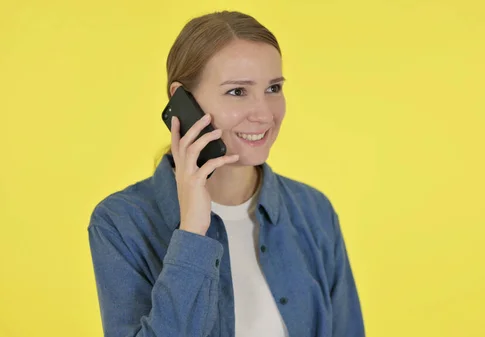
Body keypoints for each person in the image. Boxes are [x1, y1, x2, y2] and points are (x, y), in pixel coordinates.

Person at [88, 10, 365, 337]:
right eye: (237, 91)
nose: (264, 114)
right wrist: (192, 232)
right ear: (182, 99)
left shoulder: (314, 212)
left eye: (273, 88)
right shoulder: (121, 222)